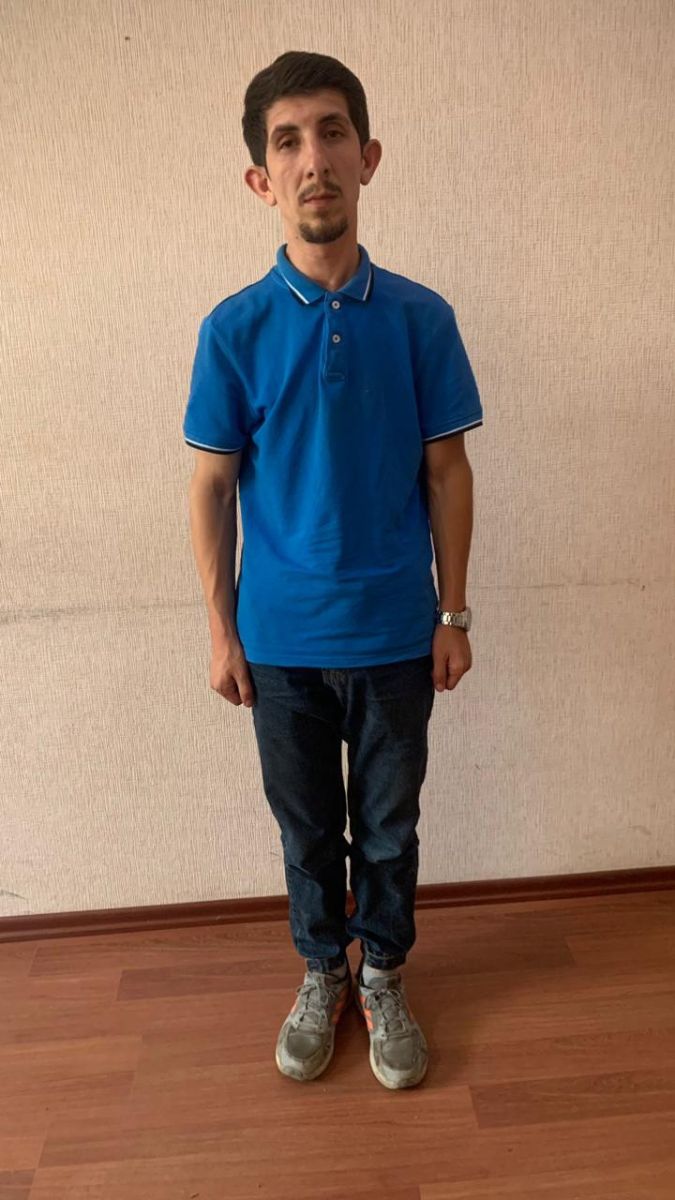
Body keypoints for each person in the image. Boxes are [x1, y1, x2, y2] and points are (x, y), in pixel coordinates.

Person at [183, 51, 483, 1090]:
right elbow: (211, 488)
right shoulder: (233, 331)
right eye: (288, 141)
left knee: (390, 829)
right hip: (279, 645)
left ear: (368, 156)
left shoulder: (422, 319)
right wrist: (221, 634)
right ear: (261, 179)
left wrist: (453, 613)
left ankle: (383, 973)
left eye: (331, 132)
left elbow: (447, 471)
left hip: (398, 633)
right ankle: (323, 971)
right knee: (309, 832)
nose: (313, 158)